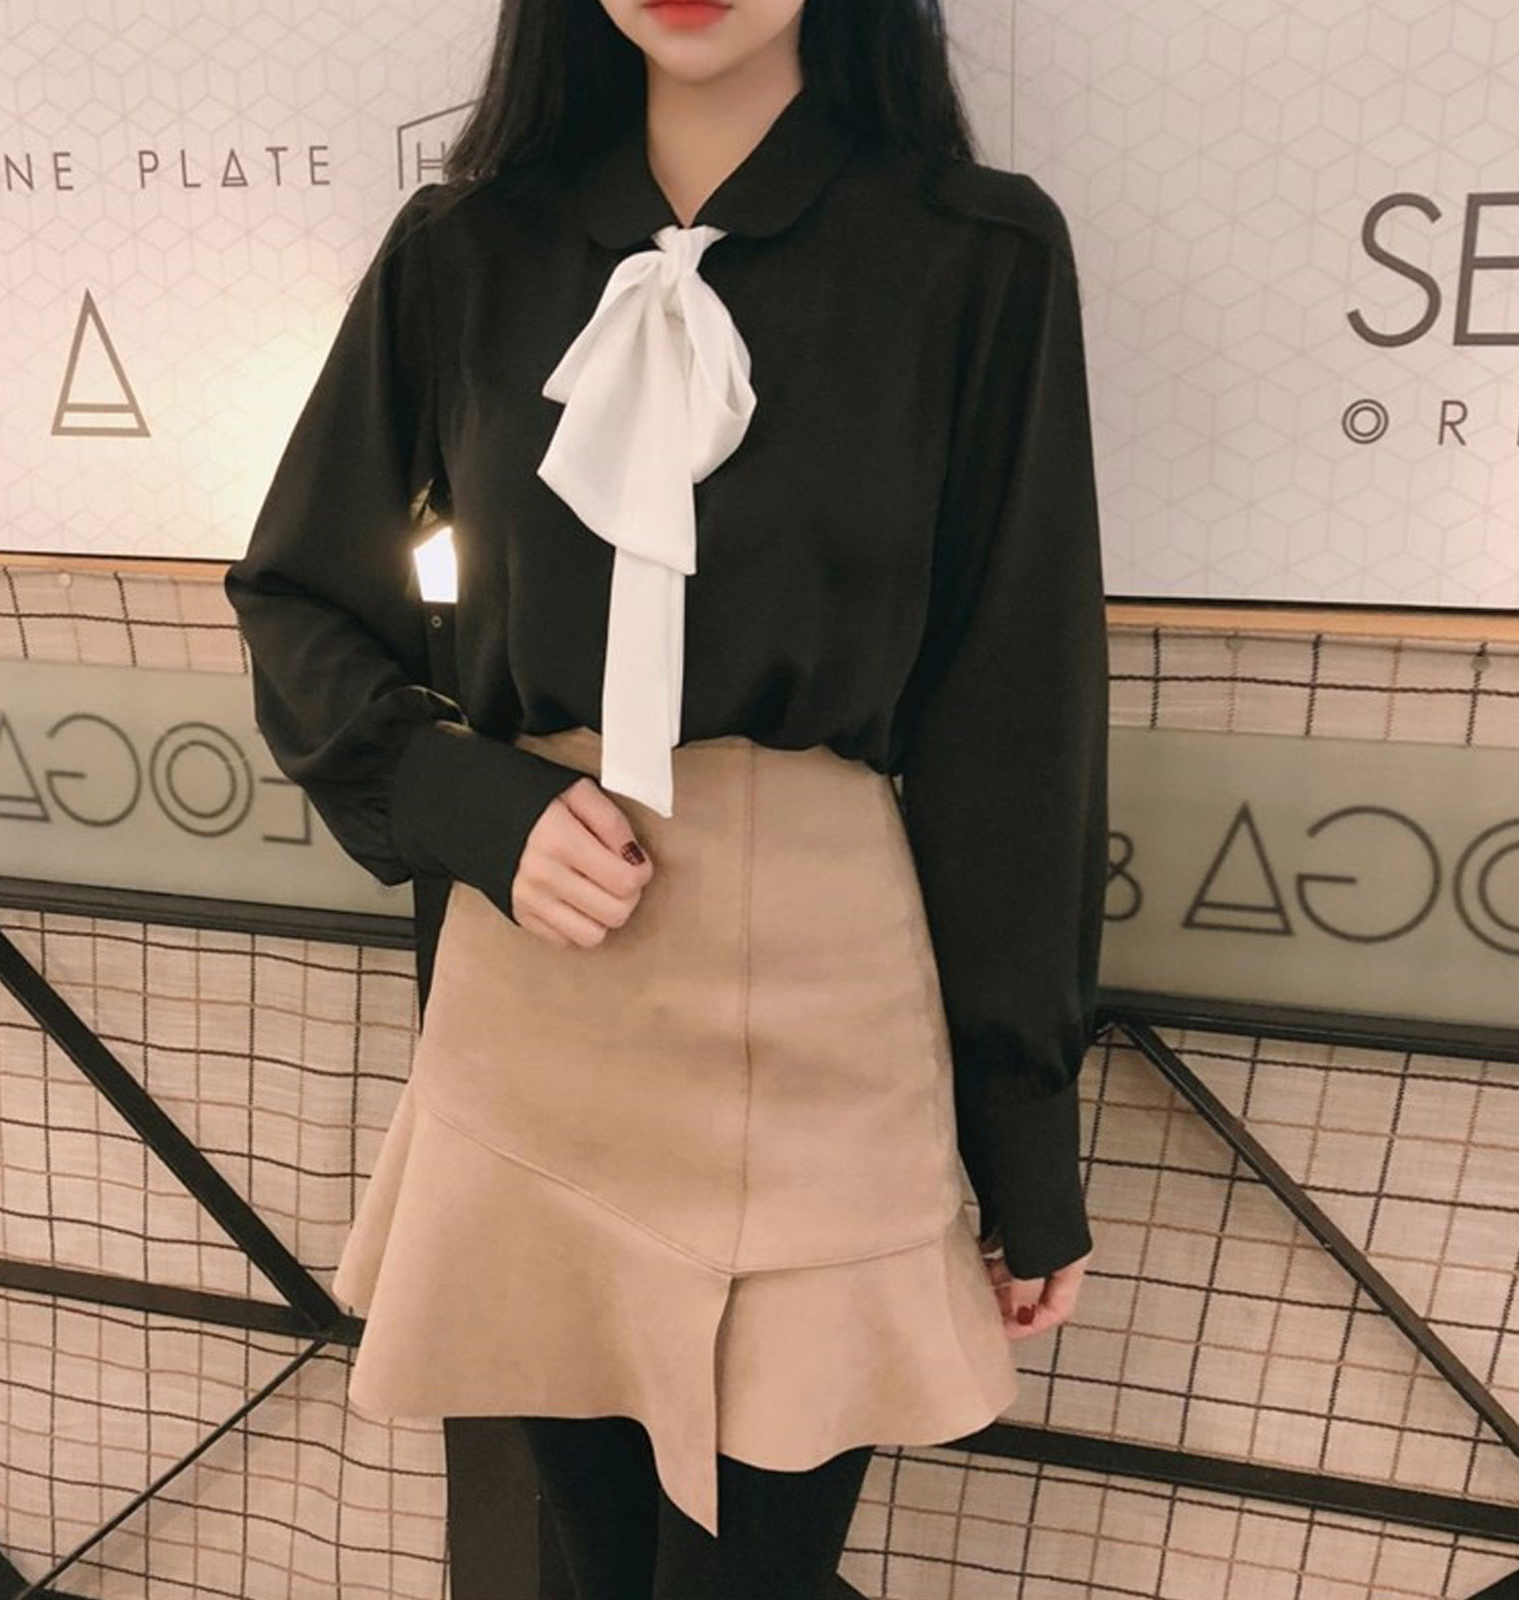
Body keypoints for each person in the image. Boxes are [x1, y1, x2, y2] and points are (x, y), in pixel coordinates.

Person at [224, 0, 1108, 1594]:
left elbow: (1013, 721)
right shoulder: (465, 251)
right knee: (591, 1554)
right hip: (542, 996)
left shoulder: (973, 254)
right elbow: (298, 594)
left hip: (829, 1006)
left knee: (754, 1575)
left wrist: (1024, 1140)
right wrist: (469, 803)